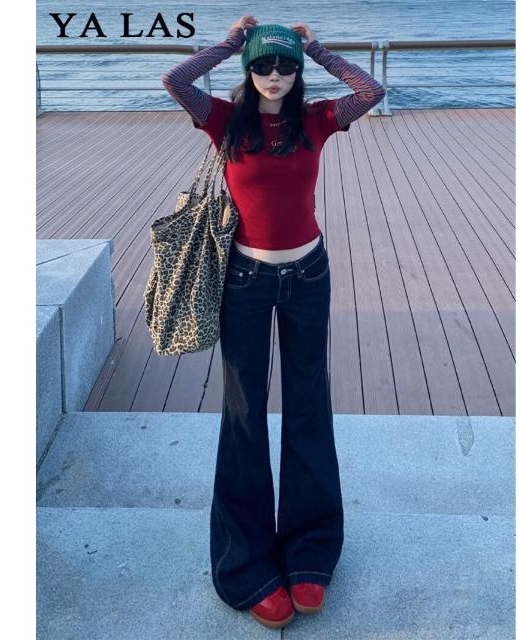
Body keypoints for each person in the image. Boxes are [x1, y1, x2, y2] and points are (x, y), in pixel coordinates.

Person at [161, 16, 385, 629]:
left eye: (286, 65)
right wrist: (232, 42)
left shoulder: (316, 120)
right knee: (245, 413)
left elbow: (372, 91)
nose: (276, 75)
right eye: (264, 64)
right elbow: (175, 80)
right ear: (249, 69)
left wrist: (317, 48)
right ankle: (247, 565)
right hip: (246, 280)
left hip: (308, 275)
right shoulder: (225, 122)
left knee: (309, 403)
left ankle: (311, 550)